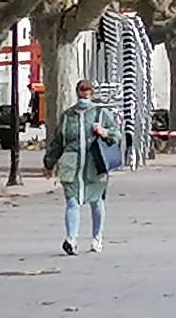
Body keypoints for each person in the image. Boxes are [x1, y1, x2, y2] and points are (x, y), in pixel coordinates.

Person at [43, 78, 119, 255]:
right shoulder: (67, 116)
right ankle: (71, 239)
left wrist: (104, 132)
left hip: (95, 164)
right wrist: (49, 163)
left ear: (91, 94)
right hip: (72, 165)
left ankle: (97, 238)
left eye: (87, 91)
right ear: (77, 93)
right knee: (72, 200)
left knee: (97, 200)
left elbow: (117, 135)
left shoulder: (100, 114)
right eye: (81, 91)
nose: (84, 95)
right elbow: (57, 143)